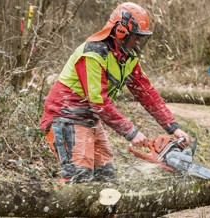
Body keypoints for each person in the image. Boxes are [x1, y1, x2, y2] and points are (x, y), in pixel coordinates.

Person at [40, 2, 189, 183]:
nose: (138, 41)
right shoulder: (93, 53)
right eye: (136, 36)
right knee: (80, 179)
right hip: (65, 118)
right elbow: (99, 102)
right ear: (120, 31)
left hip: (90, 119)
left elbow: (146, 92)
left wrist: (173, 127)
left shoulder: (128, 57)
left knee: (106, 177)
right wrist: (131, 132)